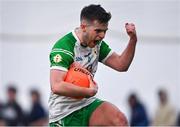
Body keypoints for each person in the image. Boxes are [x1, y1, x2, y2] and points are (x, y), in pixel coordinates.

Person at [49, 4, 137, 126]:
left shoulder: (98, 45)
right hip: (65, 113)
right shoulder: (65, 46)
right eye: (98, 31)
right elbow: (56, 86)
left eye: (105, 31)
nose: (102, 36)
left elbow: (122, 64)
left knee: (119, 120)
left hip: (87, 104)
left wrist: (133, 39)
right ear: (83, 27)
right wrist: (88, 91)